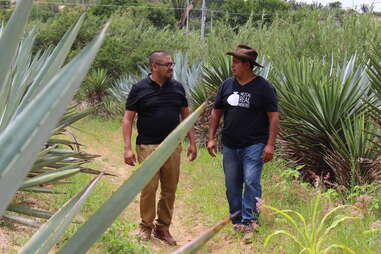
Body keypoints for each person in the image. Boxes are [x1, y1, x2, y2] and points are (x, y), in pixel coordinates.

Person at [123, 50, 197, 246]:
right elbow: (128, 119)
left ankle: (162, 228)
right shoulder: (139, 88)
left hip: (173, 147)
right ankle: (145, 227)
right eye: (167, 65)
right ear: (154, 67)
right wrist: (127, 148)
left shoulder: (177, 88)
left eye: (171, 64)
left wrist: (193, 142)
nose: (171, 68)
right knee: (149, 188)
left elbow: (186, 116)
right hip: (147, 145)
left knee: (169, 189)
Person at [207, 45, 279, 241]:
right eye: (233, 61)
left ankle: (250, 222)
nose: (233, 66)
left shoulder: (264, 88)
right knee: (232, 185)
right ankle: (237, 221)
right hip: (230, 144)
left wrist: (270, 145)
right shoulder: (226, 85)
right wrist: (211, 138)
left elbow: (273, 117)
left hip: (254, 144)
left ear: (248, 65)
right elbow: (216, 112)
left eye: (237, 62)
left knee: (251, 182)